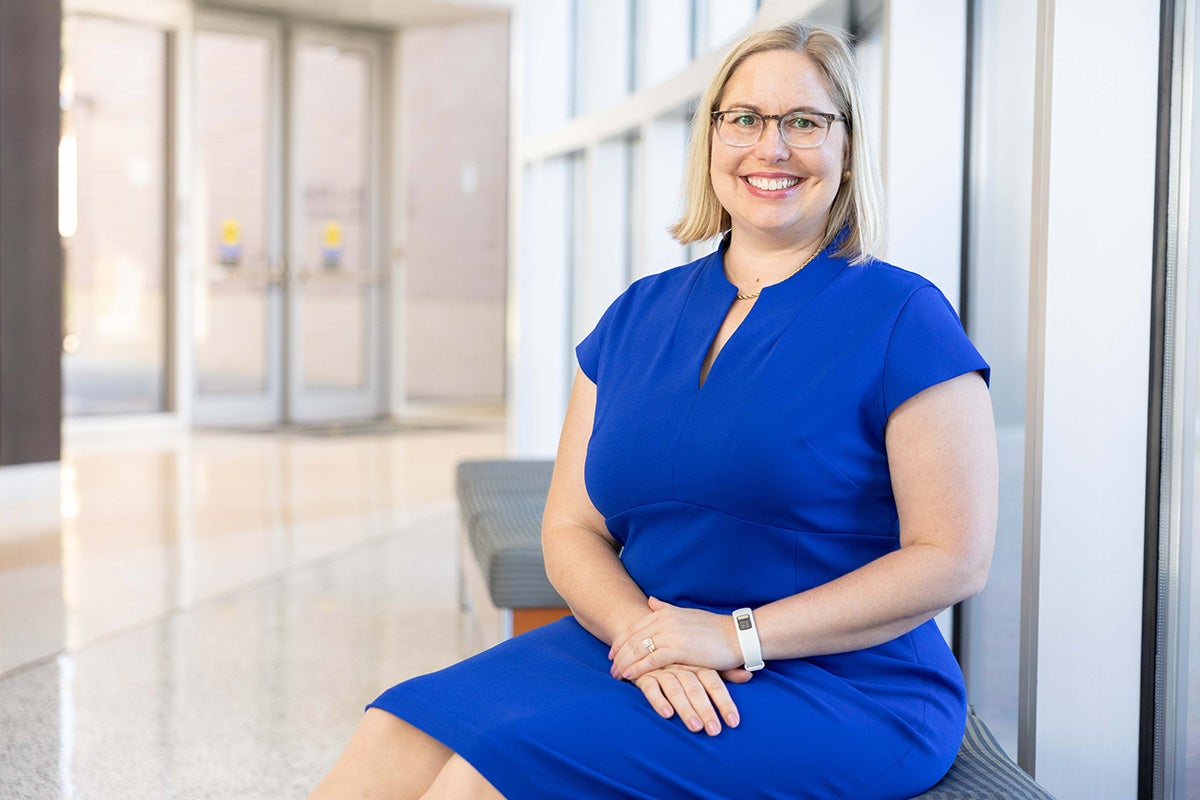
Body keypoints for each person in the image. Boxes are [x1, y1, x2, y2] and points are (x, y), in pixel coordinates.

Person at [310, 19, 997, 800]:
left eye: (804, 122)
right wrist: (650, 637)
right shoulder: (636, 315)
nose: (771, 147)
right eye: (743, 119)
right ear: (711, 140)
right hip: (633, 641)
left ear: (846, 146)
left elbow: (952, 557)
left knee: (481, 780)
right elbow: (571, 528)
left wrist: (731, 636)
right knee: (390, 736)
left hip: (840, 679)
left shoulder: (904, 316)